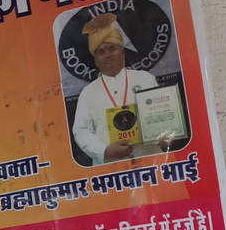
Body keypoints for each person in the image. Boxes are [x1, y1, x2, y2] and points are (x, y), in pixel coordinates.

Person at [69, 14, 162, 165]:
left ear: (123, 52)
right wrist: (104, 150)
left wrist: (164, 135)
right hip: (111, 170)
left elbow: (161, 116)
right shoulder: (88, 92)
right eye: (101, 52)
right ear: (95, 60)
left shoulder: (145, 79)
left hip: (150, 160)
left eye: (112, 48)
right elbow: (80, 131)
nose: (107, 55)